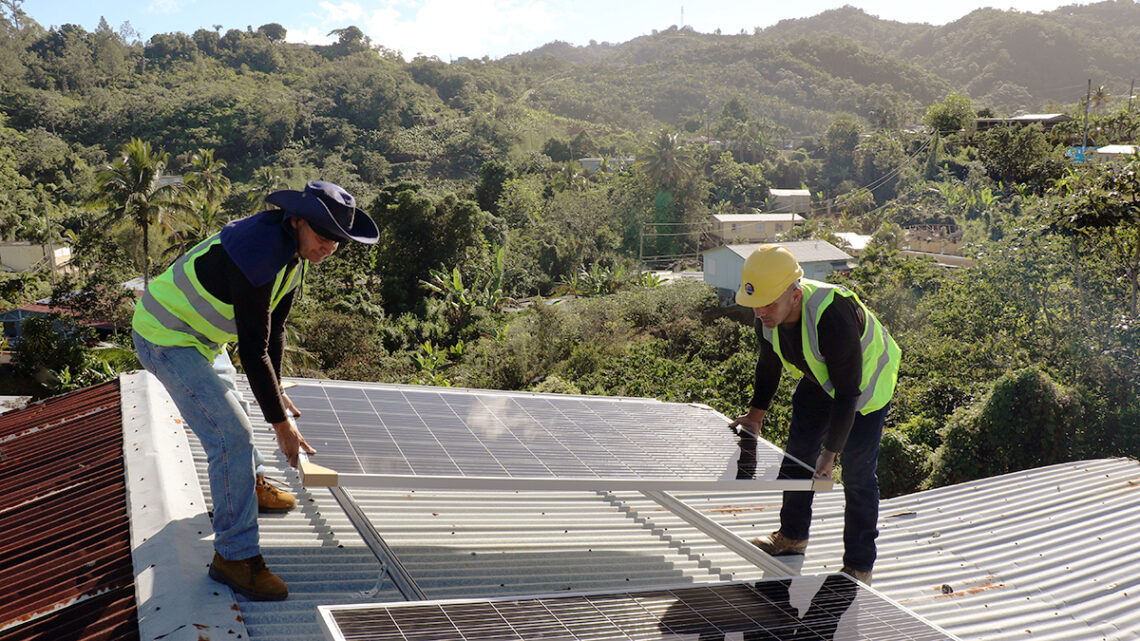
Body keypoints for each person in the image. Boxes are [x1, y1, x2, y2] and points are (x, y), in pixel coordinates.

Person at [131, 180, 379, 600]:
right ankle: (235, 558)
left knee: (243, 407)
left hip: (203, 339)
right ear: (297, 220)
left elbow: (275, 330)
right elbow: (252, 348)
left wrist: (278, 391)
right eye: (323, 237)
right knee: (231, 435)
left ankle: (250, 483)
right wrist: (281, 425)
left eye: (338, 241)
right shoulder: (259, 251)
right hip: (166, 336)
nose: (330, 248)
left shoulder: (294, 253)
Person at [729, 244, 900, 585]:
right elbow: (768, 364)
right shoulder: (765, 311)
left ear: (794, 294)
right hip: (820, 378)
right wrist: (755, 417)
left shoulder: (832, 313)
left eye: (768, 303)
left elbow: (848, 391)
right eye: (756, 303)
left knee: (857, 474)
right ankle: (792, 536)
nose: (760, 311)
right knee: (797, 454)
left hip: (865, 389)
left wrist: (830, 455)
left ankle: (858, 565)